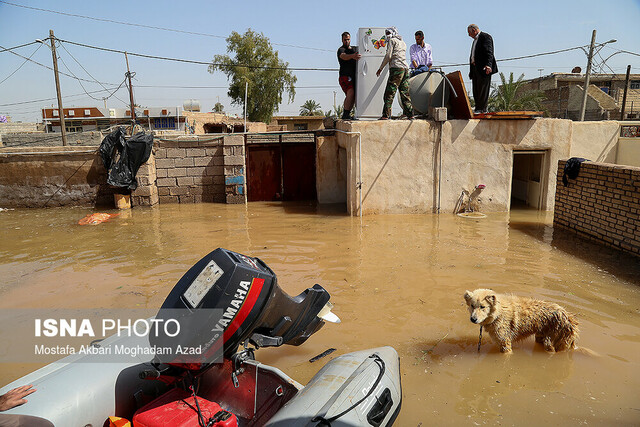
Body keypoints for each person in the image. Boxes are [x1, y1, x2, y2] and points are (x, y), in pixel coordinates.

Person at [376, 27, 413, 120]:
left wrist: (380, 68)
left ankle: (385, 115)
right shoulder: (403, 43)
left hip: (396, 69)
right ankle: (410, 114)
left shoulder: (392, 41)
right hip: (405, 69)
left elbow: (388, 56)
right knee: (404, 93)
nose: (387, 35)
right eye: (386, 33)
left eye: (388, 33)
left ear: (393, 33)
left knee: (389, 93)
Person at [467, 24, 498, 114]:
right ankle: (478, 108)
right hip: (475, 68)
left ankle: (482, 109)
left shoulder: (485, 37)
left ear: (474, 30)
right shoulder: (475, 41)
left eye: (469, 33)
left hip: (483, 68)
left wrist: (488, 65)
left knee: (483, 89)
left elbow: (489, 52)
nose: (469, 35)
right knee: (476, 89)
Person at [337, 32, 361, 120]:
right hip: (345, 76)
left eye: (348, 39)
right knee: (350, 92)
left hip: (354, 77)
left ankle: (348, 114)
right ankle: (345, 114)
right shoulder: (341, 50)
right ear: (342, 40)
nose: (347, 41)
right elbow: (343, 56)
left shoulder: (354, 49)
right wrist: (352, 56)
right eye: (345, 40)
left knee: (353, 95)